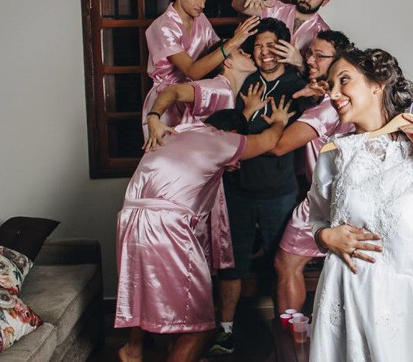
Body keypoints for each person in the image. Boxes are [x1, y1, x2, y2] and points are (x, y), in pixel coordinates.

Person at [308, 49, 413, 361]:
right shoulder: (334, 153)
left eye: (343, 80)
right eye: (330, 86)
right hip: (347, 293)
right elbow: (316, 219)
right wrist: (325, 236)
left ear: (377, 84)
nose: (334, 94)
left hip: (405, 301)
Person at [114, 101, 295, 362]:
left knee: (148, 293)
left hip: (131, 219)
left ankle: (132, 350)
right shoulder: (219, 140)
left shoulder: (177, 132)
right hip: (166, 224)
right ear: (233, 133)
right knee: (201, 322)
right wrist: (279, 121)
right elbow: (268, 141)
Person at [211, 18, 315, 355]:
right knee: (230, 264)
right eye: (257, 46)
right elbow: (223, 130)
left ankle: (285, 333)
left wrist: (302, 67)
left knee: (280, 264)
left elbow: (311, 121)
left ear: (284, 48)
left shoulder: (298, 85)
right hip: (236, 190)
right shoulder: (243, 80)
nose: (263, 52)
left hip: (279, 191)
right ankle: (225, 332)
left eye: (271, 45)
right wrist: (236, 136)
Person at [270, 30, 355, 313]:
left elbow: (280, 146)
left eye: (320, 56)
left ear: (338, 62)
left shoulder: (328, 107)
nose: (309, 60)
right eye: (309, 54)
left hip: (325, 198)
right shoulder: (340, 96)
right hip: (342, 194)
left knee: (286, 263)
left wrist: (277, 122)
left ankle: (291, 333)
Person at [142, 0, 259, 135]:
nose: (202, 4)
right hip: (167, 104)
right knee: (169, 149)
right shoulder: (163, 27)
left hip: (198, 97)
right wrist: (232, 43)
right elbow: (192, 71)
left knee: (203, 147)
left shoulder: (200, 18)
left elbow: (218, 52)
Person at [142, 36, 265, 152]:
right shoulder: (218, 88)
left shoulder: (225, 91)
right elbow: (172, 90)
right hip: (183, 158)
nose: (249, 55)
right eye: (241, 52)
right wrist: (153, 117)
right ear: (228, 62)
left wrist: (248, 111)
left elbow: (219, 133)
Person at [231, 0, 335, 74]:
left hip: (296, 83)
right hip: (261, 77)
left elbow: (321, 74)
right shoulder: (275, 8)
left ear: (325, 1)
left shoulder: (323, 32)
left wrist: (300, 63)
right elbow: (236, 5)